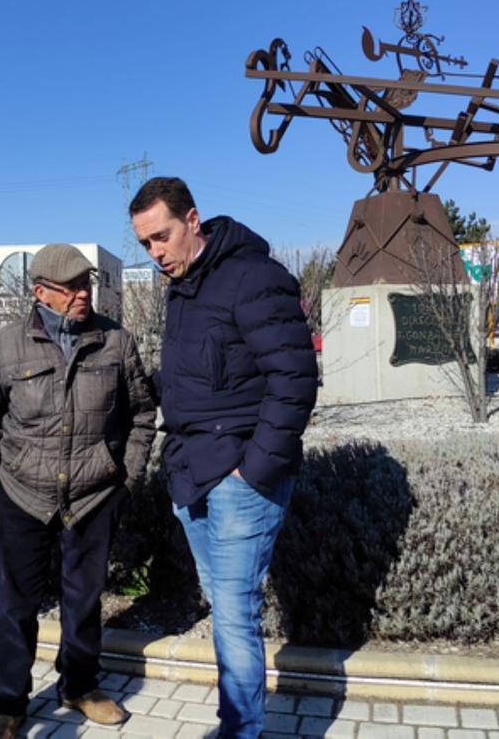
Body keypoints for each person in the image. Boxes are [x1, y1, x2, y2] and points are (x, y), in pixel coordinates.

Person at [128, 177, 318, 739]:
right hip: (191, 473)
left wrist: (253, 469)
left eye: (161, 237)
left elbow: (296, 380)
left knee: (235, 614)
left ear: (193, 220)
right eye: (144, 245)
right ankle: (237, 725)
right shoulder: (182, 288)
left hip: (240, 479)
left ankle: (240, 730)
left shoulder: (253, 278)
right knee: (224, 608)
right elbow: (199, 379)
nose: (155, 253)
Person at [0, 243, 156, 739]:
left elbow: (141, 414)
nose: (81, 294)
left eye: (85, 284)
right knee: (15, 604)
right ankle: (8, 703)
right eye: (70, 287)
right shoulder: (5, 346)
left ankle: (79, 685)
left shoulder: (116, 342)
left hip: (94, 495)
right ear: (40, 292)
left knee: (85, 599)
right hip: (21, 495)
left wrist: (126, 478)